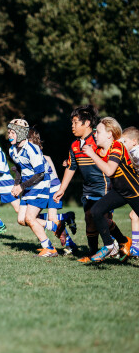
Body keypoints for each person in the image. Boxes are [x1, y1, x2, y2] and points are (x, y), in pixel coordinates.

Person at [53, 106, 128, 262]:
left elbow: (114, 152)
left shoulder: (99, 138)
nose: (72, 126)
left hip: (105, 186)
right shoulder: (74, 145)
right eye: (72, 123)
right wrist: (62, 189)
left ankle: (122, 242)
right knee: (89, 219)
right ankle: (93, 253)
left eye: (75, 122)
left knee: (102, 219)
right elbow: (71, 167)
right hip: (88, 189)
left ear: (87, 123)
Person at [82, 117, 137, 262]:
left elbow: (109, 170)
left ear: (109, 134)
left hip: (134, 191)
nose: (95, 134)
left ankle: (124, 243)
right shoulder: (101, 151)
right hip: (119, 192)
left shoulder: (117, 146)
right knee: (96, 211)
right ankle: (108, 245)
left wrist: (91, 154)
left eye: (98, 132)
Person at [6, 119, 55, 257]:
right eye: (9, 132)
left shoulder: (32, 149)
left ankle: (49, 248)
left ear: (21, 133)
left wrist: (21, 186)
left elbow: (40, 174)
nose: (9, 135)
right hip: (28, 186)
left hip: (40, 185)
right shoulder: (12, 150)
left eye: (13, 132)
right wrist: (16, 184)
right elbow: (19, 169)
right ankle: (55, 226)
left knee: (30, 218)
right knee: (22, 220)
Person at [27, 128, 78, 254]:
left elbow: (51, 174)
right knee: (36, 217)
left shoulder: (37, 156)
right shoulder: (42, 156)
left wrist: (57, 188)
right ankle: (66, 217)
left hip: (51, 187)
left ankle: (70, 243)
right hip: (50, 186)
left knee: (51, 218)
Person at [120, 126, 139, 256]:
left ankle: (136, 247)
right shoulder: (132, 153)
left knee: (134, 215)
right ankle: (136, 247)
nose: (122, 144)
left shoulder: (137, 153)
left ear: (134, 142)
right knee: (134, 215)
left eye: (124, 142)